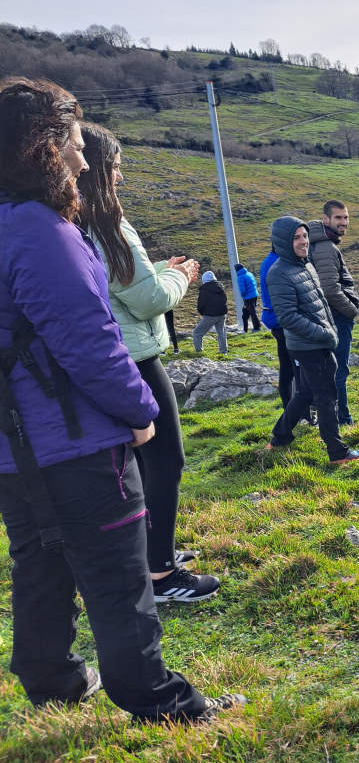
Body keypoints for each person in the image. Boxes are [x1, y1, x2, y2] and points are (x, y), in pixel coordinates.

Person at [0, 77, 243, 721]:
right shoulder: (41, 232)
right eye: (75, 145)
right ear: (41, 149)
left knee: (39, 561)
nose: (83, 161)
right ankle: (156, 698)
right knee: (116, 573)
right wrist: (141, 414)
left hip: (13, 450)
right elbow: (90, 343)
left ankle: (51, 678)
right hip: (75, 441)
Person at [76, 122, 220, 604]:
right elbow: (149, 300)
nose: (120, 178)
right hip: (137, 356)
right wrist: (179, 276)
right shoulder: (109, 224)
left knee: (138, 463)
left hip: (110, 355)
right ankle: (161, 574)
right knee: (166, 461)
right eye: (115, 168)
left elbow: (125, 288)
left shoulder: (72, 224)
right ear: (95, 170)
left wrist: (157, 269)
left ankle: (154, 554)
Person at [265, 216, 359, 466]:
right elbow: (288, 317)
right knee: (326, 396)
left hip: (317, 342)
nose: (303, 242)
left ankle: (280, 436)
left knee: (306, 393)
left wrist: (328, 328)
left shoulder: (304, 265)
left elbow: (319, 304)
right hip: (308, 345)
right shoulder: (279, 273)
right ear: (283, 242)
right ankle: (337, 452)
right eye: (296, 238)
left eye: (305, 236)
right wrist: (325, 334)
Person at [307, 200, 359, 425]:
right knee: (339, 370)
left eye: (346, 218)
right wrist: (351, 310)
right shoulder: (326, 247)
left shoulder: (317, 244)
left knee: (327, 370)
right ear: (325, 219)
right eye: (339, 218)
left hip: (322, 316)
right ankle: (342, 419)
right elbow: (330, 289)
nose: (344, 223)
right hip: (337, 316)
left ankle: (323, 415)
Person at [259, 248, 293, 410]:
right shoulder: (277, 264)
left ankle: (291, 409)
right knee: (296, 369)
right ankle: (300, 412)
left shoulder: (271, 261)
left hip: (276, 320)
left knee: (288, 368)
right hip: (284, 322)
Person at [193, 270, 229, 354]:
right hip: (222, 314)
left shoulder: (204, 290)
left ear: (204, 280)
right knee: (221, 332)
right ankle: (224, 351)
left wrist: (202, 313)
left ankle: (199, 352)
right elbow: (225, 300)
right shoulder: (220, 287)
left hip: (210, 315)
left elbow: (201, 304)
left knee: (197, 332)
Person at [235, 263, 261, 333]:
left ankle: (256, 327)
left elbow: (243, 290)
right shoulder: (249, 274)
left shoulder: (241, 277)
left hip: (248, 297)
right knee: (250, 312)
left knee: (250, 313)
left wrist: (243, 296)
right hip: (254, 295)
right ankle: (247, 329)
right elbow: (255, 283)